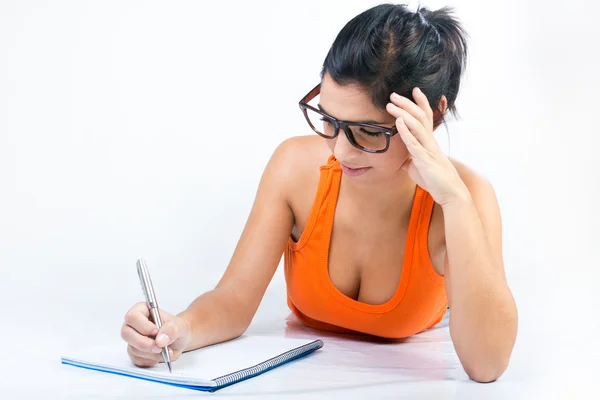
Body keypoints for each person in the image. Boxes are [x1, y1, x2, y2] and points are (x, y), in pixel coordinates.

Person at [120, 3, 518, 383]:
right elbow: (234, 299)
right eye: (329, 119)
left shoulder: (465, 197)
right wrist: (179, 331)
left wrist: (454, 201)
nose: (341, 151)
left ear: (431, 115)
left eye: (367, 132)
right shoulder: (295, 168)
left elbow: (486, 366)